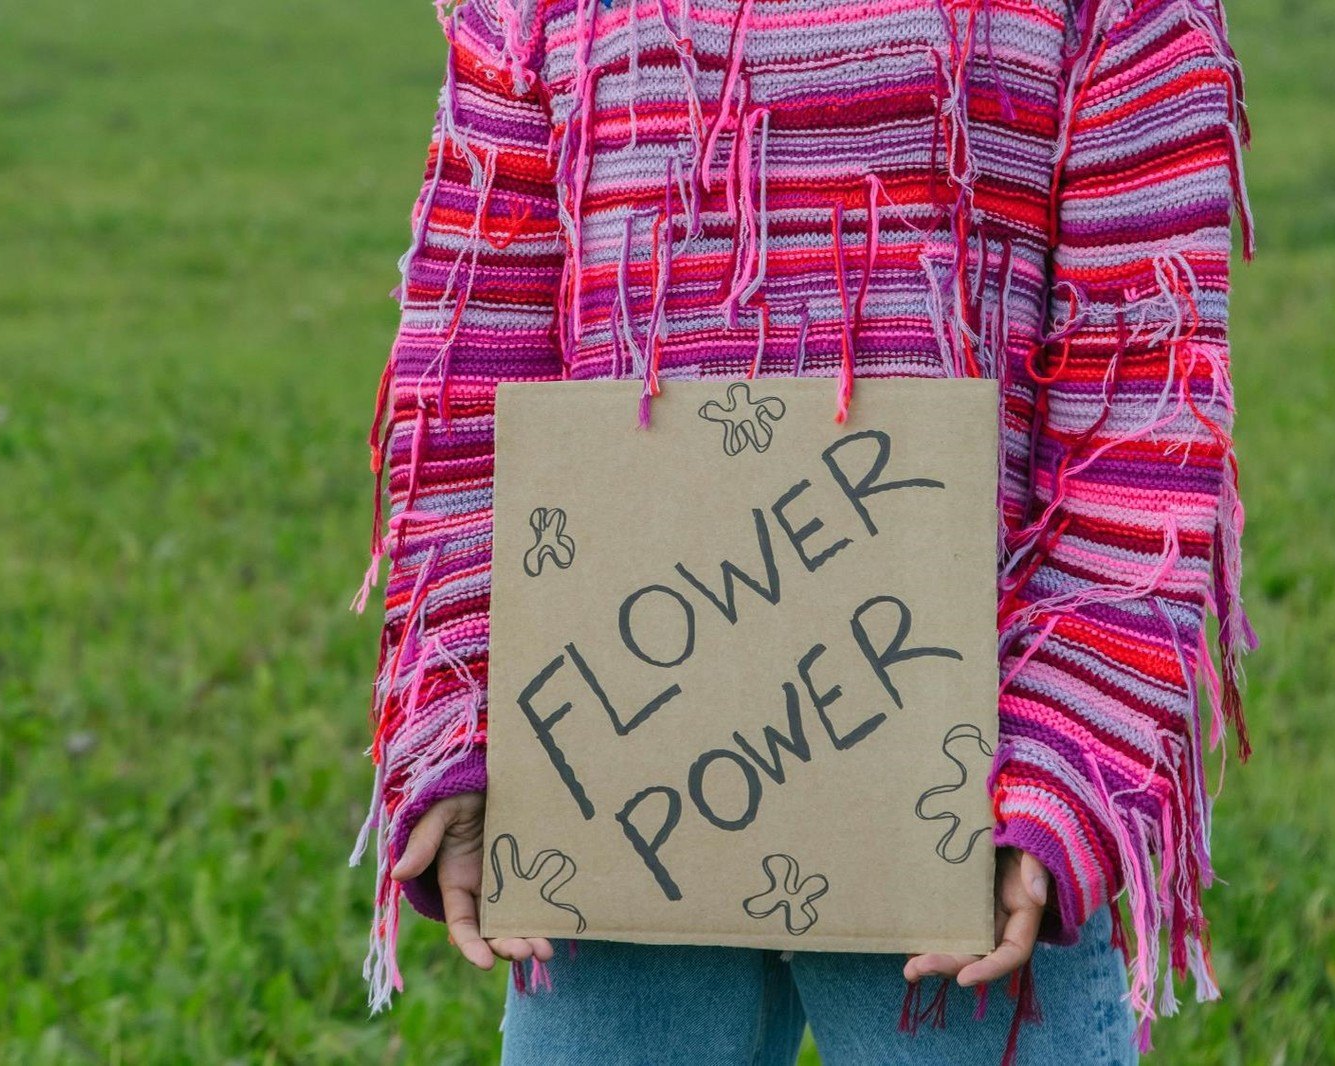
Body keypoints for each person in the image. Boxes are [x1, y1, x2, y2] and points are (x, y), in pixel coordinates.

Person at [350, 0, 1259, 1061]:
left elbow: (1142, 394)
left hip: (968, 796)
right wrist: (461, 722)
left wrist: (1070, 756)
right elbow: (468, 364)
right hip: (613, 774)